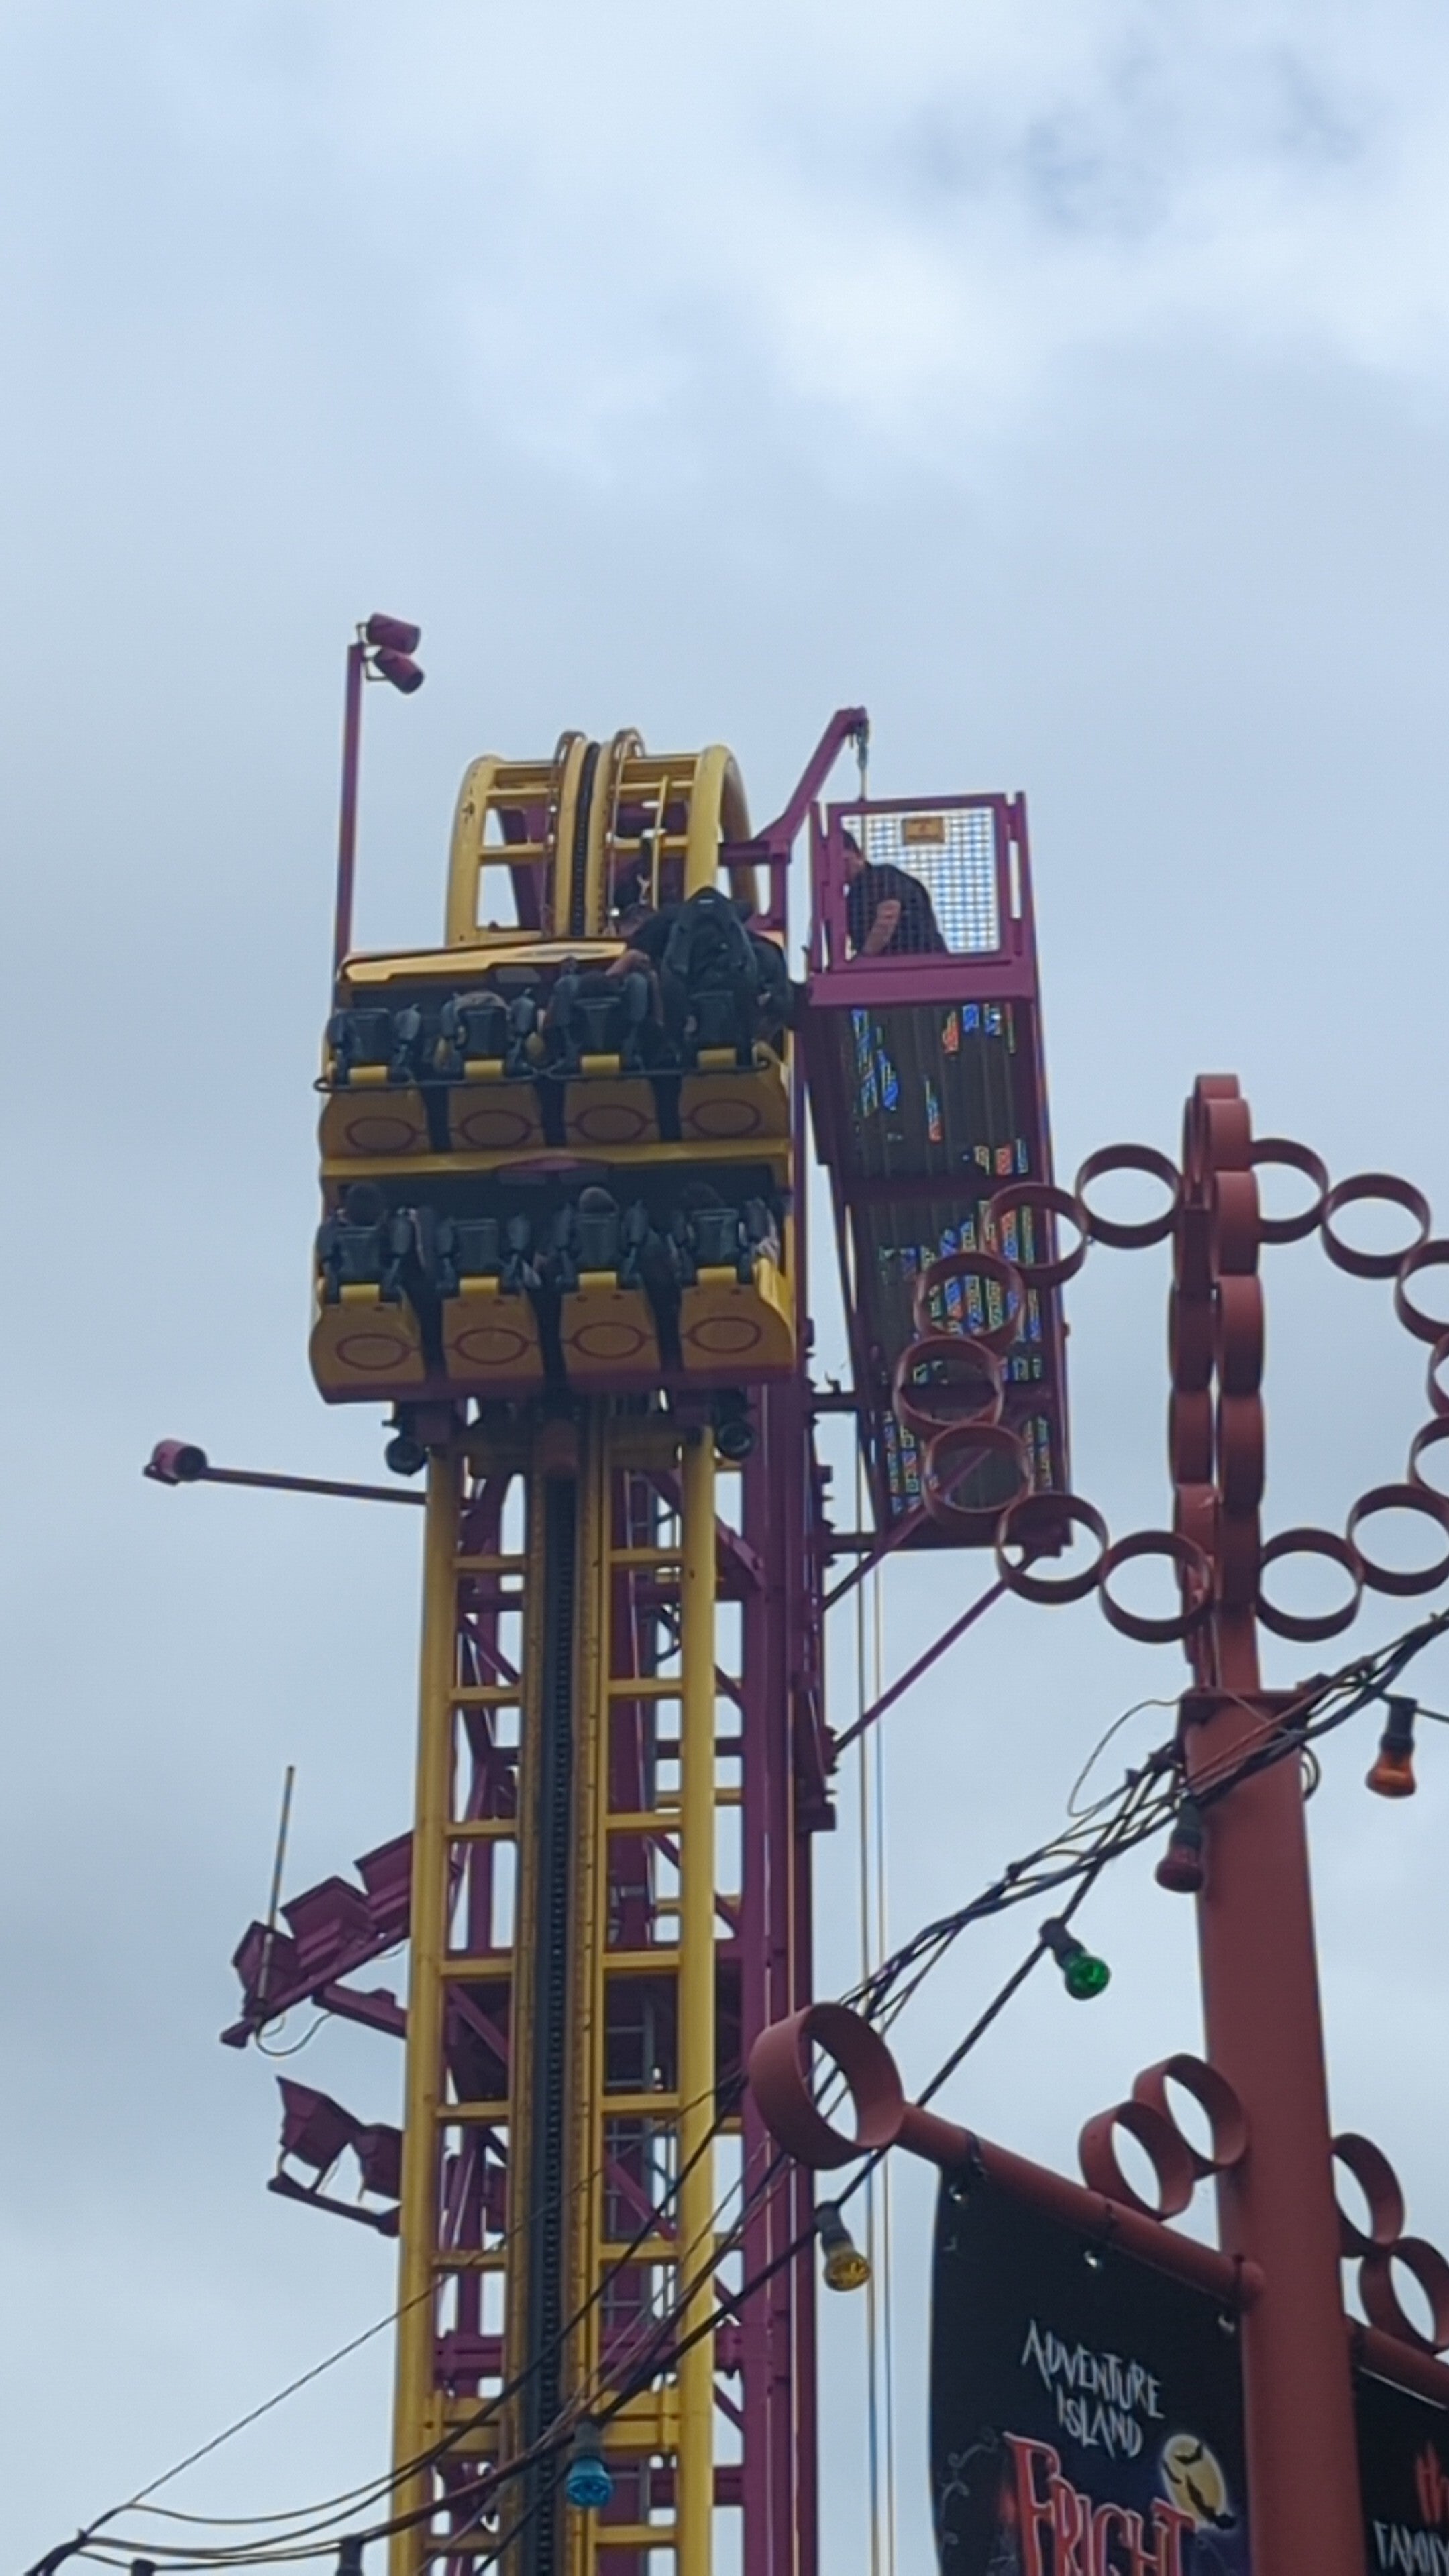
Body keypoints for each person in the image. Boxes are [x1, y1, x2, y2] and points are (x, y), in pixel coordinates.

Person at [841, 827, 947, 957]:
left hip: (919, 960)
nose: (839, 868)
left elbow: (889, 914)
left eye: (843, 860)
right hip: (909, 962)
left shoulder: (879, 876)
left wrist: (865, 958)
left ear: (859, 854)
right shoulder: (851, 899)